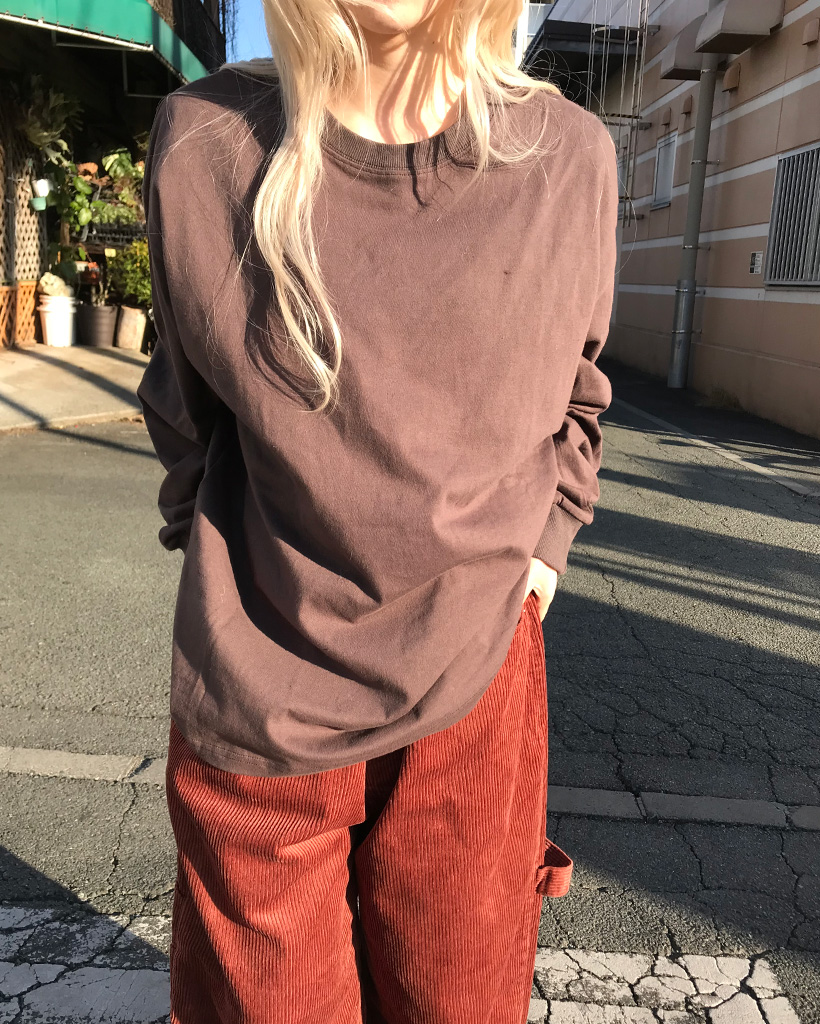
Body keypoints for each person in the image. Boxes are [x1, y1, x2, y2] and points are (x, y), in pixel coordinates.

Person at [136, 0, 618, 1017]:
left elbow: (579, 390)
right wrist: (219, 575)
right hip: (261, 680)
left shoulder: (568, 159)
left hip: (478, 681)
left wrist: (545, 546)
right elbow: (184, 404)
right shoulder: (203, 144)